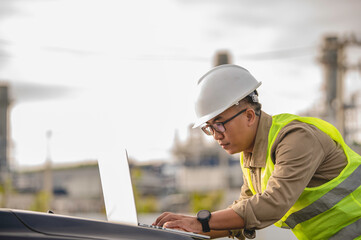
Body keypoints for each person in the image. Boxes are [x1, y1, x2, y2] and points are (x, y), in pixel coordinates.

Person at [153, 64, 361, 239]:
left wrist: (201, 222)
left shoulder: (297, 138)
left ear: (250, 116)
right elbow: (241, 215)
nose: (216, 135)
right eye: (209, 127)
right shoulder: (251, 156)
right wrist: (183, 231)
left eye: (219, 124)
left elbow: (272, 203)